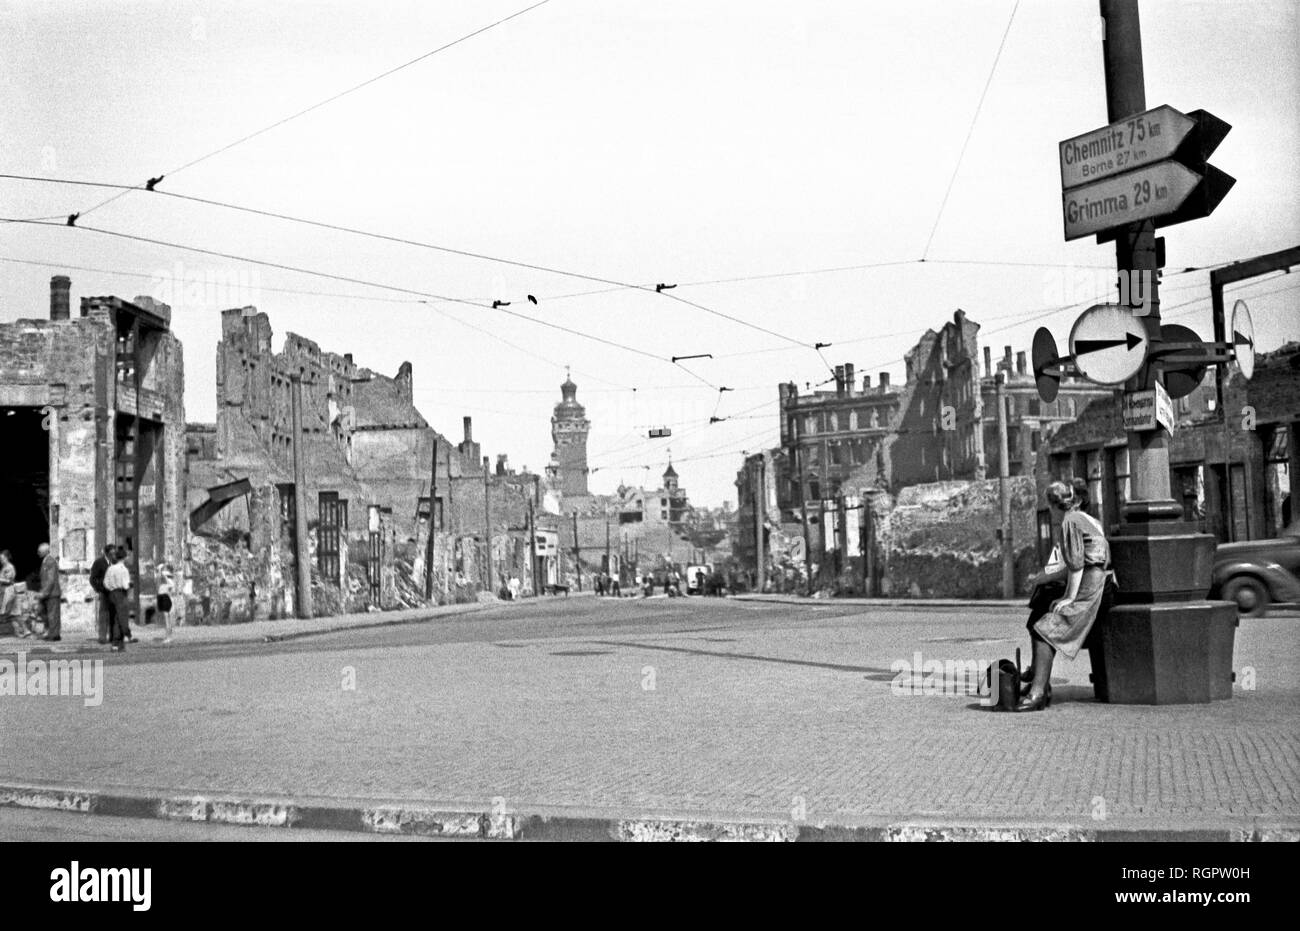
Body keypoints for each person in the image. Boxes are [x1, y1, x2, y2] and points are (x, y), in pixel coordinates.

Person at [1019, 479, 1114, 712]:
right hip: (1102, 582)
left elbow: (1076, 565)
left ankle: (1038, 692)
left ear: (1053, 505)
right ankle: (1037, 678)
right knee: (1042, 610)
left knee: (1044, 628)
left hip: (1090, 588)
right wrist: (1045, 578)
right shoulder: (1089, 520)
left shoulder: (1069, 522)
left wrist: (1069, 598)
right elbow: (1081, 562)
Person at [103, 546, 132, 652]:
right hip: (120, 593)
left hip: (112, 594)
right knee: (122, 616)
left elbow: (106, 583)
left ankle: (116, 642)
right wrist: (128, 586)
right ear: (124, 558)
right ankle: (126, 635)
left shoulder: (110, 568)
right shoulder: (123, 569)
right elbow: (125, 585)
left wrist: (111, 588)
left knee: (115, 617)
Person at [1, 550, 30, 638]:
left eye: (2, 558)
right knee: (11, 614)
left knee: (13, 613)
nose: (1, 560)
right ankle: (20, 632)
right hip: (4, 591)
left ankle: (25, 630)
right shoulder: (4, 567)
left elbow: (9, 580)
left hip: (9, 591)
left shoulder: (9, 567)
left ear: (6, 558)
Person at [89, 544, 114, 644]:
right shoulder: (99, 562)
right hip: (105, 592)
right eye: (111, 553)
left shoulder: (115, 562)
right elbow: (92, 578)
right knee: (103, 614)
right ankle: (102, 636)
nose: (113, 555)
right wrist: (99, 589)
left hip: (115, 592)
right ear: (107, 553)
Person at [36, 542, 61, 641]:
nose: (38, 553)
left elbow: (51, 579)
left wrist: (44, 593)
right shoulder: (45, 561)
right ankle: (51, 632)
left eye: (40, 551)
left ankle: (54, 635)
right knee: (44, 612)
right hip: (48, 593)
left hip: (52, 593)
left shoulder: (50, 561)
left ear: (46, 551)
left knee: (53, 614)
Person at [156, 561, 175, 644]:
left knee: (168, 619)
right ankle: (168, 636)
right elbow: (158, 579)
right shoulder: (163, 578)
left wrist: (161, 571)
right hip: (162, 597)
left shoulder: (168, 576)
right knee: (166, 619)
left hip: (166, 597)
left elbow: (171, 585)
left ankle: (169, 637)